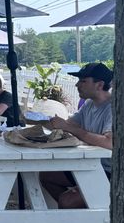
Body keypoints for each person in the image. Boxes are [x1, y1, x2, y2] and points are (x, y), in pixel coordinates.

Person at [41, 63, 113, 209]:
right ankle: (81, 215)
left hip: (109, 172)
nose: (77, 85)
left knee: (67, 201)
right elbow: (68, 125)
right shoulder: (88, 104)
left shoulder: (113, 107)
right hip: (88, 165)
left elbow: (109, 143)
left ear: (99, 85)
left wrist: (71, 128)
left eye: (83, 81)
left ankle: (82, 217)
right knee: (46, 177)